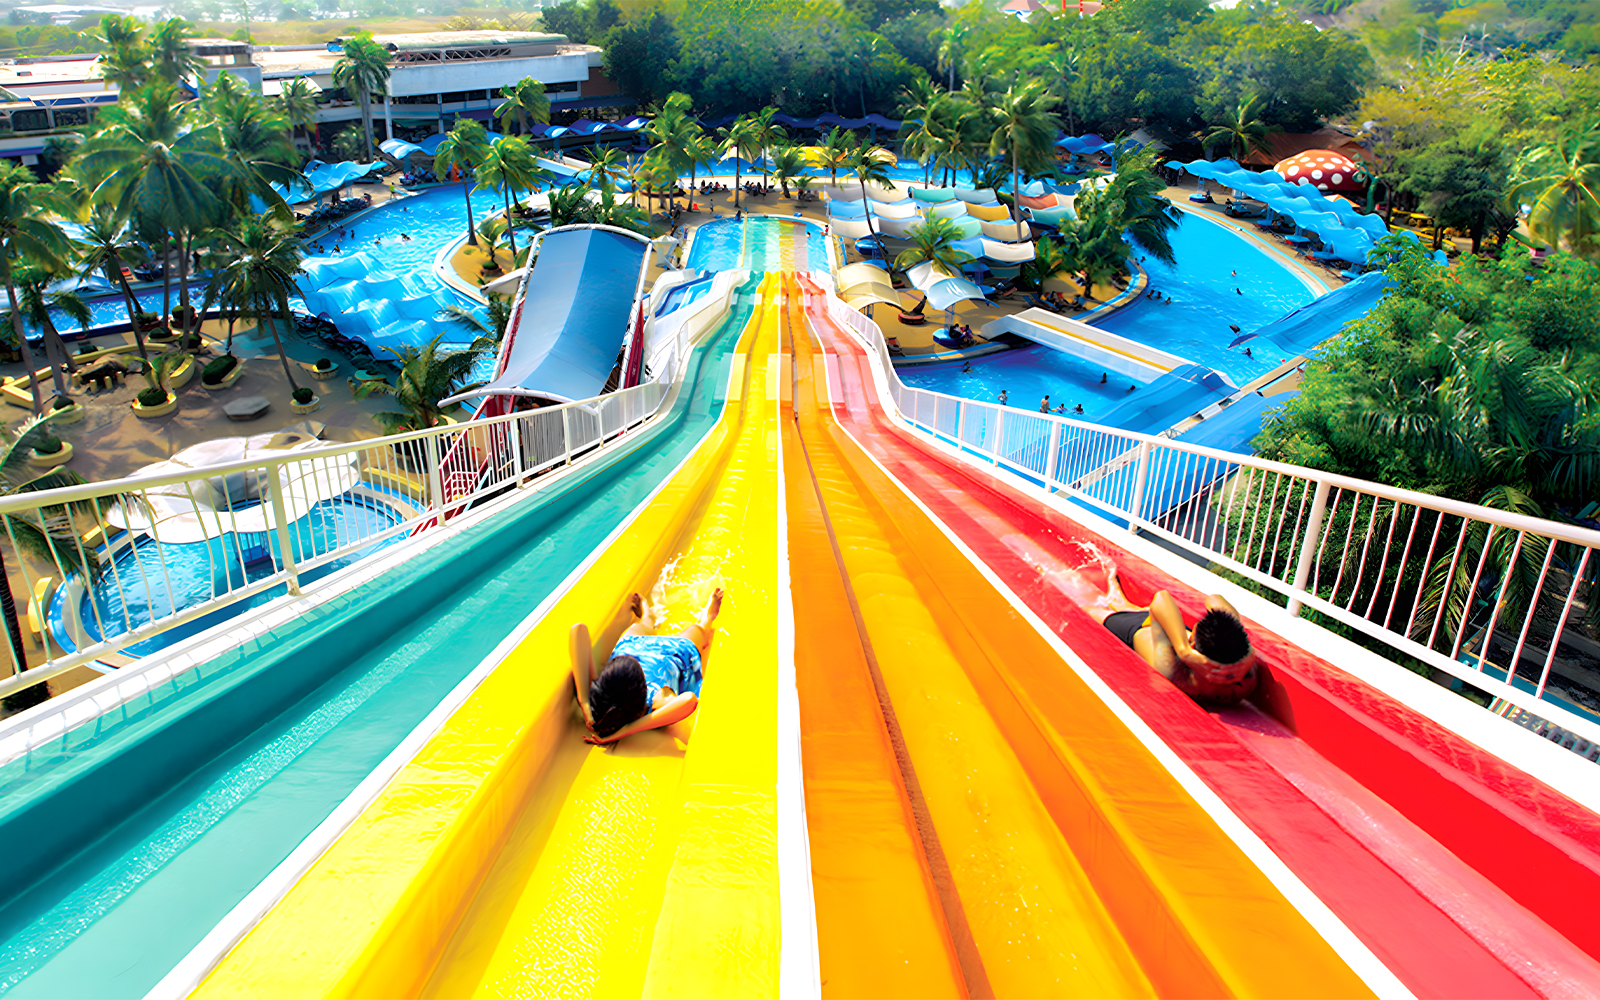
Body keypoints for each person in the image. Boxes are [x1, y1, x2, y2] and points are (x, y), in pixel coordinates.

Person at [1069, 568, 1257, 705]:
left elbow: (1162, 600)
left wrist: (1183, 652)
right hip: (1152, 627)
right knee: (1087, 609)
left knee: (1093, 611)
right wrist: (1248, 654)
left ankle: (1121, 603)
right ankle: (1121, 603)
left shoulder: (1172, 668)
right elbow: (1214, 599)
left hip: (1145, 630)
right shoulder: (1244, 677)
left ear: (1194, 648)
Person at [572, 588, 725, 745]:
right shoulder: (651, 698)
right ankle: (698, 617)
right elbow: (689, 700)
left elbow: (578, 630)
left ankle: (649, 616)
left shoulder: (604, 698)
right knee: (697, 629)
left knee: (659, 626)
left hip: (637, 648)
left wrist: (584, 702)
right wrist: (585, 703)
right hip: (648, 650)